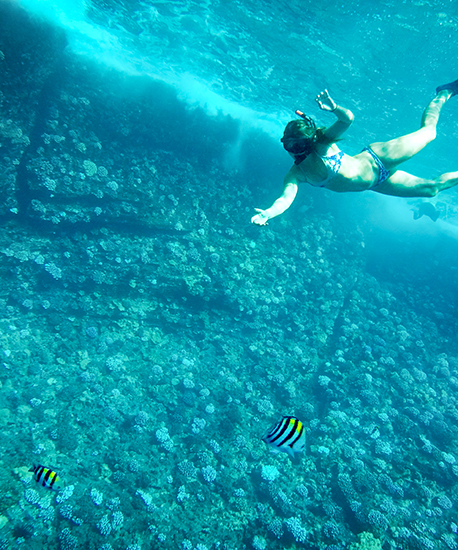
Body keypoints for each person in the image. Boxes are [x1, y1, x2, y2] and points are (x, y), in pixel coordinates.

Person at [251, 80, 458, 226]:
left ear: (308, 142)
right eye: (287, 145)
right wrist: (268, 213)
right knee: (432, 189)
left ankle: (444, 92)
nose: (292, 151)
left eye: (296, 146)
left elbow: (347, 119)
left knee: (429, 133)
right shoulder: (296, 174)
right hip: (378, 182)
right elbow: (285, 199)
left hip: (379, 157)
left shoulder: (321, 144)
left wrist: (334, 108)